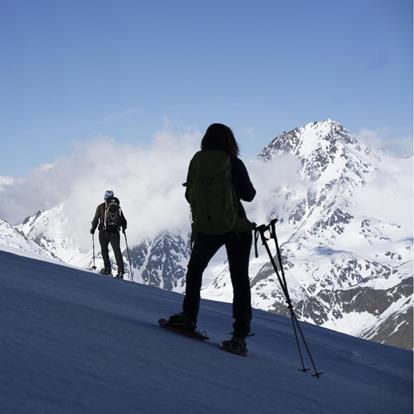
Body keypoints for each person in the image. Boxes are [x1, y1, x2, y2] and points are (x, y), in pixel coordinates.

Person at [167, 123, 256, 355]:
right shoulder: (234, 163)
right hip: (236, 227)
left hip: (207, 227)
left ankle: (188, 316)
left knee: (195, 269)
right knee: (240, 279)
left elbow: (189, 195)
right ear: (230, 141)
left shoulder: (197, 162)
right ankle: (239, 336)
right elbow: (249, 195)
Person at [90, 190, 127, 279]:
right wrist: (123, 229)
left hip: (103, 232)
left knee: (104, 250)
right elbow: (124, 221)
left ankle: (107, 269)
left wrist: (93, 229)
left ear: (104, 197)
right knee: (117, 251)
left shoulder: (100, 207)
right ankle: (121, 271)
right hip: (115, 233)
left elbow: (95, 220)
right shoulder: (118, 208)